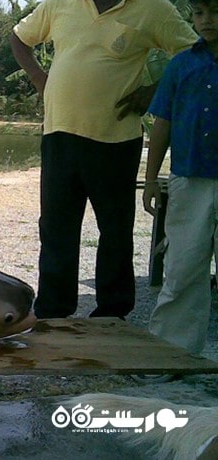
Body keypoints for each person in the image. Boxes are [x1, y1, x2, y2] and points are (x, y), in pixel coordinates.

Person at [10, 0, 198, 320]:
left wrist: (156, 90)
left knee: (115, 230)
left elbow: (195, 52)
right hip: (59, 134)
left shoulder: (153, 8)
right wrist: (39, 78)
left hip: (116, 140)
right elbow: (19, 37)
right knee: (56, 227)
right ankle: (54, 310)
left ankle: (112, 311)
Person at [142, 0, 218, 357]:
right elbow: (163, 123)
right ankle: (171, 353)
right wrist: (152, 177)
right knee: (182, 269)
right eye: (200, 13)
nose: (207, 21)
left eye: (216, 11)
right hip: (188, 178)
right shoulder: (181, 65)